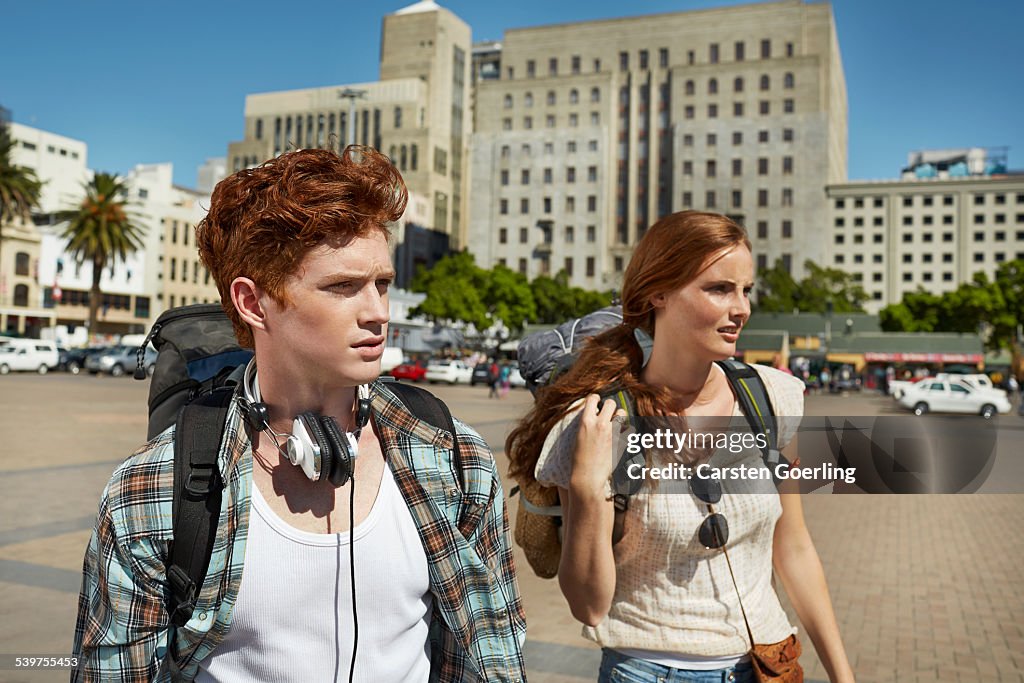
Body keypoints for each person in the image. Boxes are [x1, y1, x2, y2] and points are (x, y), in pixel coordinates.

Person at [72, 146, 526, 682]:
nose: (378, 311)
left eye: (381, 283)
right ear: (252, 301)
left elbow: (494, 660)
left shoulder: (455, 458)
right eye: (342, 287)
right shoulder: (151, 489)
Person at [507, 211, 854, 683]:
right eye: (719, 289)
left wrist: (842, 674)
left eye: (745, 290)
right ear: (658, 293)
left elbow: (793, 548)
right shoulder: (595, 425)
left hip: (764, 666)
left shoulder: (772, 398)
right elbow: (589, 606)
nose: (742, 308)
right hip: (645, 671)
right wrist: (587, 490)